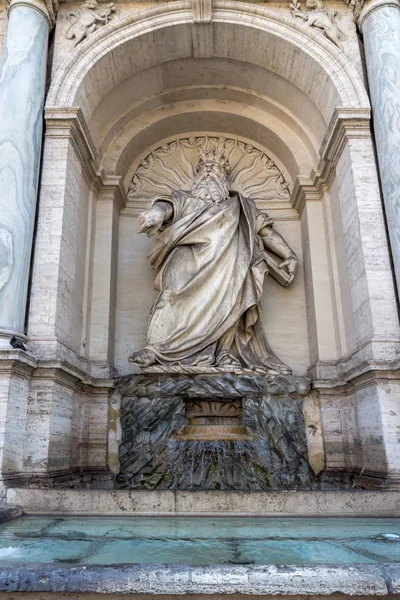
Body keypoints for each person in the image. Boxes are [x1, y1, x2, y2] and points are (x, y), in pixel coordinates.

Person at [129, 144, 298, 373]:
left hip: (229, 263)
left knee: (232, 298)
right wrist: (155, 214)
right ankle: (156, 349)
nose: (210, 176)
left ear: (224, 181)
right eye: (205, 173)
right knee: (171, 296)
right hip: (185, 259)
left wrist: (288, 254)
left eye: (215, 173)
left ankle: (225, 352)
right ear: (198, 179)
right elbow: (166, 206)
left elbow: (266, 233)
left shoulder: (241, 208)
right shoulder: (185, 200)